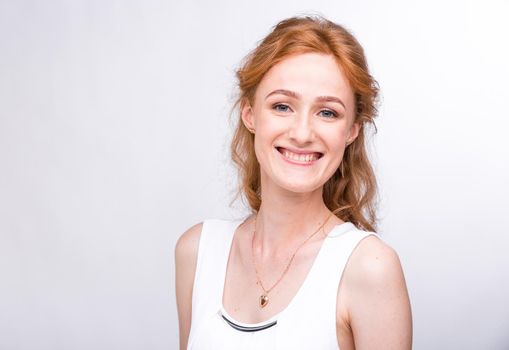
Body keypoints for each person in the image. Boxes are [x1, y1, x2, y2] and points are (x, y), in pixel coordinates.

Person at [175, 15, 412, 350]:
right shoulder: (197, 251)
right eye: (282, 106)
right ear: (250, 114)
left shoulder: (370, 268)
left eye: (327, 112)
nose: (302, 133)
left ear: (352, 131)